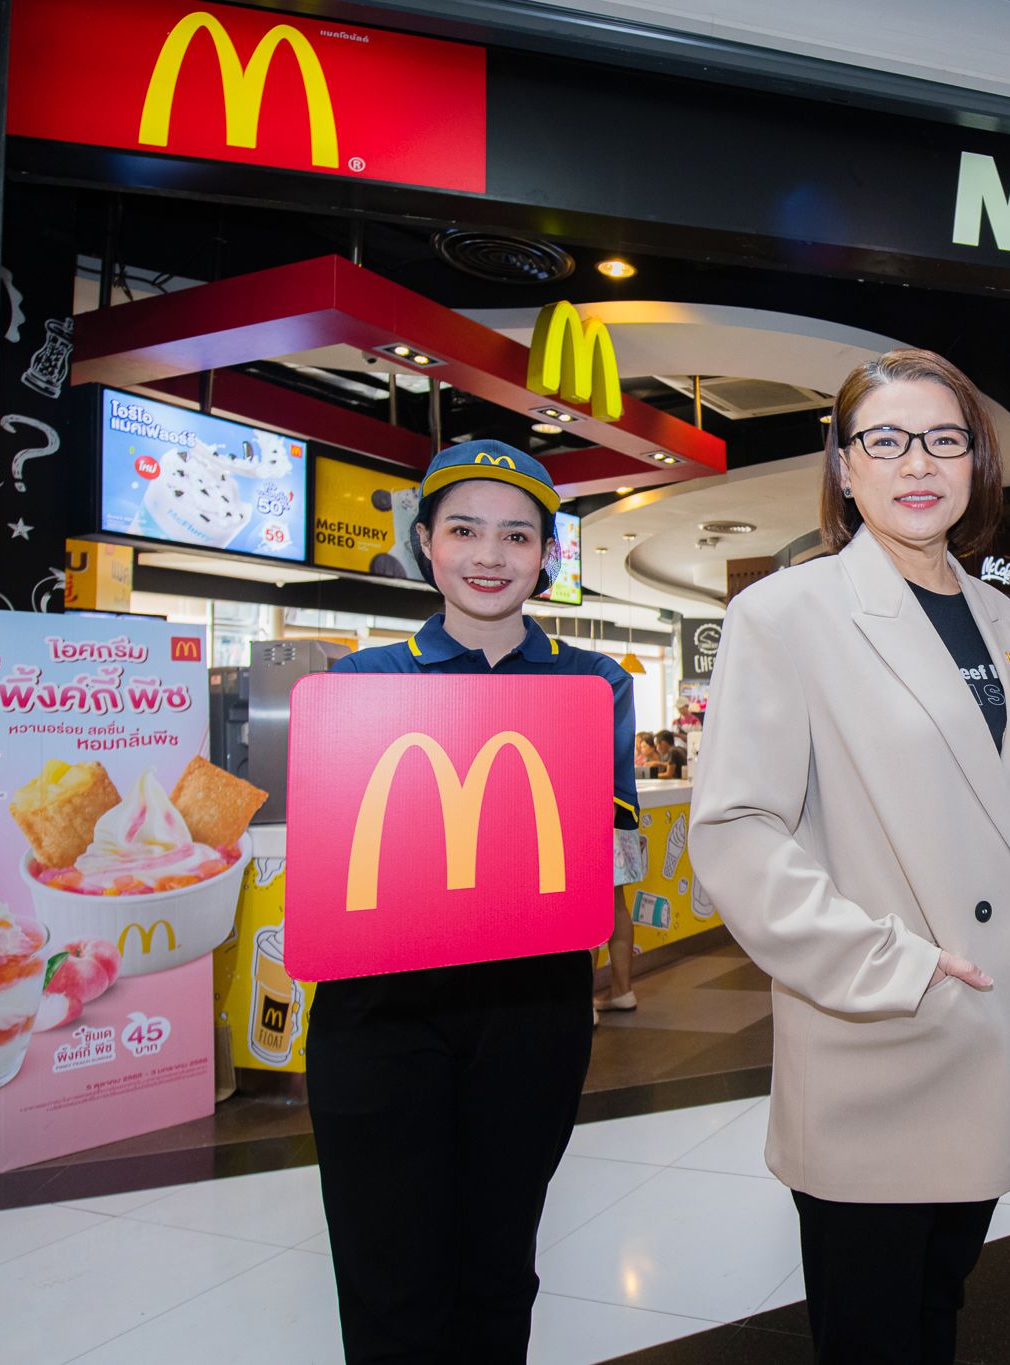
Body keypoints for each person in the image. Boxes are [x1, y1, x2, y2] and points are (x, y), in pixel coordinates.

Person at [690, 348, 1010, 1363]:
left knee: (937, 1305)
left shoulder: (1002, 617)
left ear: (976, 463)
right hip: (879, 1023)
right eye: (885, 440)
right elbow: (738, 831)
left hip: (991, 1020)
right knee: (871, 1328)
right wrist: (895, 964)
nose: (917, 462)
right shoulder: (785, 614)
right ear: (844, 466)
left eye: (944, 439)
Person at [306, 441, 639, 1364]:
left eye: (517, 535)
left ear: (547, 555)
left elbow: (612, 839)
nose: (490, 555)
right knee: (389, 1273)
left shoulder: (595, 681)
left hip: (529, 1002)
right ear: (425, 543)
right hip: (378, 1005)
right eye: (464, 530)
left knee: (498, 1262)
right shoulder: (360, 681)